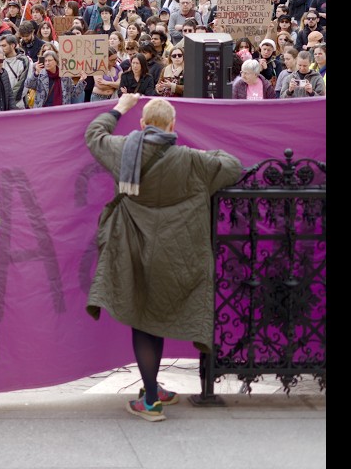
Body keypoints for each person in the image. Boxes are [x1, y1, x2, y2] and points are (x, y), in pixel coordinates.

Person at [85, 93, 243, 421]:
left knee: (144, 322)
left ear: (142, 125)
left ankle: (151, 400)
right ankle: (152, 389)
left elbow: (94, 135)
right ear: (173, 126)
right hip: (176, 255)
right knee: (152, 320)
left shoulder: (124, 150)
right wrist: (205, 151)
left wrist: (119, 108)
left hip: (132, 250)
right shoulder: (189, 159)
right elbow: (232, 166)